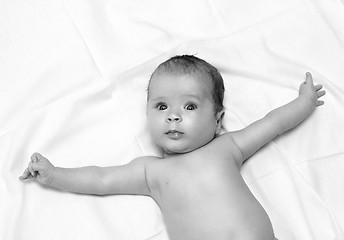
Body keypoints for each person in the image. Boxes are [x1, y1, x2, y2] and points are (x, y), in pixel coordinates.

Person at [20, 55, 326, 240]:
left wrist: (304, 102)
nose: (173, 115)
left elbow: (273, 123)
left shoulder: (228, 147)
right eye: (162, 105)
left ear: (218, 120)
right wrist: (54, 174)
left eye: (190, 106)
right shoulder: (150, 170)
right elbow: (100, 179)